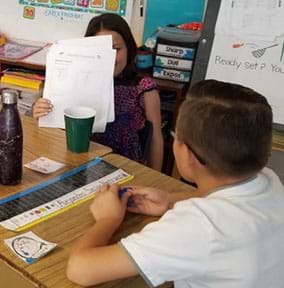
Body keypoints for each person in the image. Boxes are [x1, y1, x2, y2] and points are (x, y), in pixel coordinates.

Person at [66, 79, 284, 288]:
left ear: (186, 154)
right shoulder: (268, 179)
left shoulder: (196, 227)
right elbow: (231, 203)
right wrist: (169, 201)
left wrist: (107, 220)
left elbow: (80, 269)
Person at [33, 13, 164, 171]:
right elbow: (56, 132)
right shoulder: (72, 82)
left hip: (124, 170)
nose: (109, 57)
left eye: (116, 49)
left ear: (129, 48)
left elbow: (156, 138)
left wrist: (156, 179)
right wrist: (42, 111)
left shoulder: (143, 88)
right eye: (100, 50)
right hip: (78, 164)